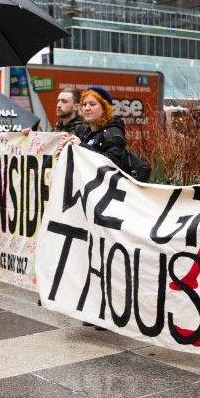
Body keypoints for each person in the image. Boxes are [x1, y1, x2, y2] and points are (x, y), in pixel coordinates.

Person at [56, 86, 126, 330]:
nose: (86, 108)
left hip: (109, 206)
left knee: (107, 256)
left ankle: (109, 310)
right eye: (84, 104)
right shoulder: (86, 133)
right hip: (90, 204)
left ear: (104, 108)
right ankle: (96, 306)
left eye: (92, 104)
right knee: (91, 254)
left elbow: (112, 164)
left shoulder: (113, 132)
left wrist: (82, 148)